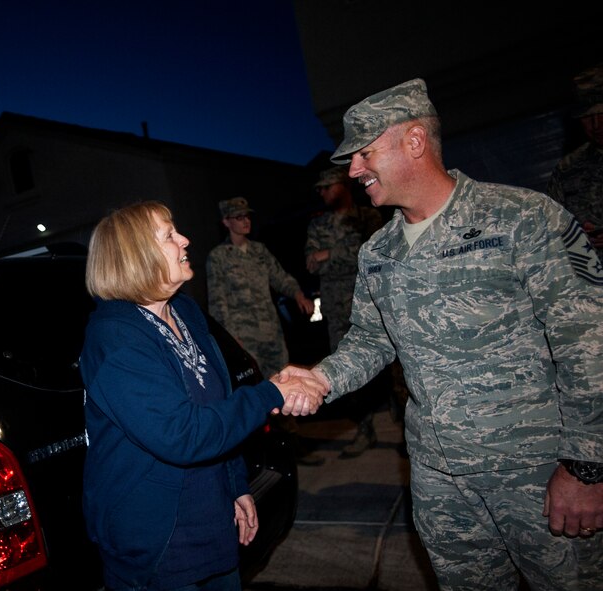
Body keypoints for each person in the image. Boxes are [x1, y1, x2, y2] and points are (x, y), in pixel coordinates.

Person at [281, 78, 603, 590]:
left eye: (364, 154)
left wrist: (587, 468)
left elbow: (589, 346)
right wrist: (317, 380)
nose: (354, 170)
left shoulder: (522, 219)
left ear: (414, 142)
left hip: (537, 474)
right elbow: (370, 341)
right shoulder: (378, 252)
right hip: (439, 482)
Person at [79, 201, 323, 591]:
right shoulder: (116, 339)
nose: (185, 239)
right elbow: (182, 434)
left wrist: (236, 484)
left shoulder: (185, 312)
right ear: (137, 256)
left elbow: (216, 405)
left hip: (210, 520)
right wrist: (271, 392)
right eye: (169, 235)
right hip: (157, 540)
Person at [205, 197, 323, 466]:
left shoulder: (259, 251)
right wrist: (229, 339)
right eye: (238, 217)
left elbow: (279, 277)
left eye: (247, 216)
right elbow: (217, 301)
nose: (245, 221)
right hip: (244, 340)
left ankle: (293, 447)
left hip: (271, 334)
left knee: (286, 387)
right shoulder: (218, 258)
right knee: (256, 394)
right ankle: (262, 452)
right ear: (226, 222)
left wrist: (297, 293)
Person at [306, 165, 386, 458]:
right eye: (319, 190)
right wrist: (344, 256)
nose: (322, 193)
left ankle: (405, 427)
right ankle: (365, 430)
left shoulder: (368, 217)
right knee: (347, 371)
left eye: (327, 187)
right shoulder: (317, 225)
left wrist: (330, 255)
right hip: (337, 311)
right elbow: (311, 263)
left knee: (392, 369)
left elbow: (374, 256)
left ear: (343, 186)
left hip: (372, 303)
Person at [547, 62, 603, 260]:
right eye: (587, 117)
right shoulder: (568, 170)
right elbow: (552, 228)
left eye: (601, 114)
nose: (596, 124)